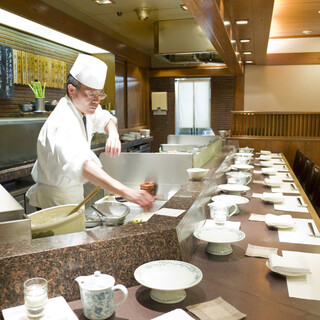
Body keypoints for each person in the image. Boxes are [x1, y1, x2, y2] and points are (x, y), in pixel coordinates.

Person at [26, 54, 153, 211]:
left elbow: (106, 119)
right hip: (55, 202)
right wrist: (127, 192)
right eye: (91, 94)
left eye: (100, 94)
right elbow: (82, 165)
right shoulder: (62, 120)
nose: (97, 100)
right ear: (72, 90)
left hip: (74, 195)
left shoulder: (86, 107)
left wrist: (113, 135)